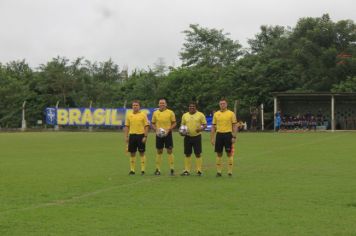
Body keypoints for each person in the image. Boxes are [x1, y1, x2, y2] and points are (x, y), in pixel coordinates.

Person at [210, 98, 238, 177]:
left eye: (224, 103)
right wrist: (212, 138)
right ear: (219, 105)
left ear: (226, 104)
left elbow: (235, 125)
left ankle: (230, 172)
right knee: (219, 153)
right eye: (221, 104)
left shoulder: (231, 113)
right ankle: (219, 172)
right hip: (219, 135)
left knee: (229, 153)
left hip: (228, 135)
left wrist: (234, 136)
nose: (222, 105)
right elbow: (213, 127)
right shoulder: (216, 114)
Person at [180, 102, 207, 176]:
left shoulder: (200, 115)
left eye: (193, 106)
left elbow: (205, 125)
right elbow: (182, 126)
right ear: (188, 107)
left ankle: (199, 171)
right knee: (187, 154)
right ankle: (186, 170)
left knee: (198, 154)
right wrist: (182, 132)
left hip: (197, 136)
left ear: (196, 107)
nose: (191, 108)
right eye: (190, 106)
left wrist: (200, 129)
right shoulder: (185, 115)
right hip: (187, 137)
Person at [151, 98, 177, 176]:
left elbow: (174, 123)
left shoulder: (170, 112)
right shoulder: (155, 113)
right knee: (159, 151)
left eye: (163, 103)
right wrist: (156, 129)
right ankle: (158, 169)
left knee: (169, 150)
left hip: (168, 134)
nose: (161, 104)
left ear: (166, 104)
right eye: (160, 103)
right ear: (158, 104)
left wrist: (169, 129)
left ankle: (172, 169)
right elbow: (152, 123)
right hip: (159, 134)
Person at [124, 100, 149, 175]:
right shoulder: (129, 115)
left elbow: (146, 126)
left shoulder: (143, 115)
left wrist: (145, 136)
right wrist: (126, 136)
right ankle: (132, 170)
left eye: (136, 105)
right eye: (133, 105)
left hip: (141, 135)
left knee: (142, 152)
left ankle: (143, 170)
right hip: (132, 135)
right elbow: (127, 126)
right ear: (132, 106)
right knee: (132, 153)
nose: (135, 106)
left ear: (139, 106)